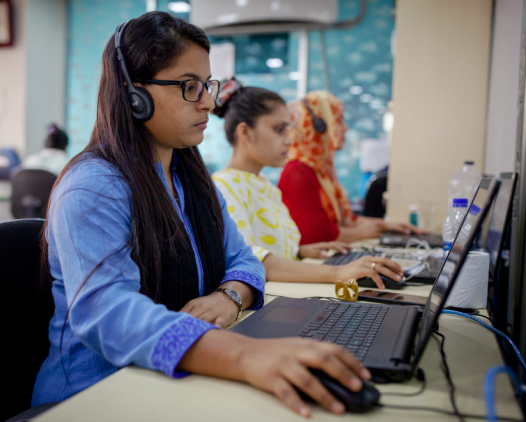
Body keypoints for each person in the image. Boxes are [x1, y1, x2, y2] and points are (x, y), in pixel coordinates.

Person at [31, 13, 370, 418]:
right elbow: (109, 313)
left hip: (170, 381)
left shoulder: (190, 178)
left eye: (207, 85)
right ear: (134, 93)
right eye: (190, 87)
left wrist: (228, 297)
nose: (209, 102)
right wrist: (245, 355)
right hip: (92, 396)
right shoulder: (93, 186)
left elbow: (244, 260)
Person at [212, 80, 404, 287]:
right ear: (245, 133)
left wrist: (299, 251)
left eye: (288, 129)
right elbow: (251, 260)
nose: (289, 140)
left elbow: (267, 244)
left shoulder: (262, 184)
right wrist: (338, 272)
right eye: (279, 129)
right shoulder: (224, 186)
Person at [278, 91, 424, 245]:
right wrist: (365, 232)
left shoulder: (320, 170)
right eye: (339, 121)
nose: (346, 128)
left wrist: (385, 225)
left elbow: (345, 221)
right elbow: (314, 235)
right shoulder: (297, 172)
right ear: (319, 127)